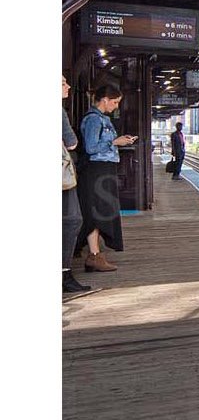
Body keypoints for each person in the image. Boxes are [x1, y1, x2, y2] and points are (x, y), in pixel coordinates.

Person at [77, 84, 137, 272]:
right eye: (115, 102)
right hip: (96, 171)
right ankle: (94, 256)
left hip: (103, 171)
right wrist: (114, 141)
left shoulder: (102, 118)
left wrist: (119, 141)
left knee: (99, 213)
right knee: (97, 213)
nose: (116, 106)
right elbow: (91, 147)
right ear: (104, 100)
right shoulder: (94, 119)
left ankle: (95, 255)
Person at [62, 76, 89, 294]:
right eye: (62, 83)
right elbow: (71, 142)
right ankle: (64, 274)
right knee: (72, 220)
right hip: (61, 177)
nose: (68, 86)